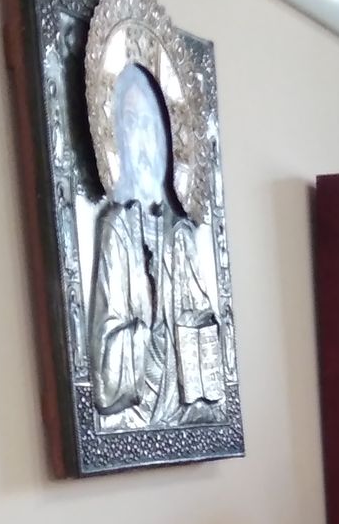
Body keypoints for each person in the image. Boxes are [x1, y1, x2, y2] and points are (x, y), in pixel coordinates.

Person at [89, 63, 233, 432]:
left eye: (150, 127)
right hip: (140, 406)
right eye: (131, 124)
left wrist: (198, 327)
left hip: (184, 403)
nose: (142, 141)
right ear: (119, 138)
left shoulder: (182, 235)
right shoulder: (117, 230)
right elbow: (106, 357)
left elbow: (206, 326)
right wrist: (148, 332)